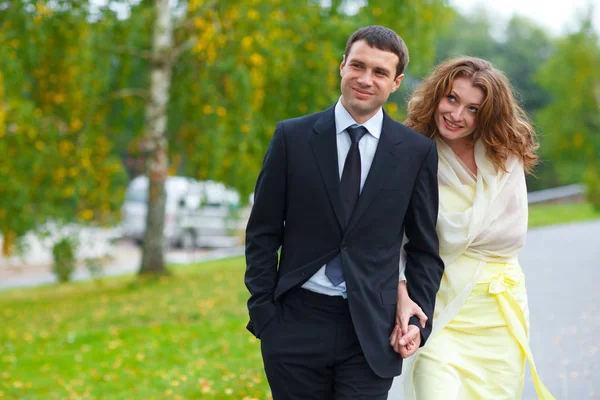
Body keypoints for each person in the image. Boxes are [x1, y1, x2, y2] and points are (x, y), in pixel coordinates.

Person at [244, 25, 444, 399]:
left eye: (380, 72)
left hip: (371, 331)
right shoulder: (292, 138)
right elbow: (262, 232)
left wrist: (417, 319)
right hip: (294, 325)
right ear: (342, 66)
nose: (365, 79)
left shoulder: (415, 153)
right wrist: (264, 314)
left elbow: (423, 249)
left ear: (396, 81)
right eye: (358, 66)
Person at [393, 56, 555, 399]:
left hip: (498, 312)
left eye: (473, 109)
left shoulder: (503, 156)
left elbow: (512, 236)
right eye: (452, 98)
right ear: (437, 94)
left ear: (489, 114)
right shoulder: (410, 153)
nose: (456, 115)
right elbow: (392, 234)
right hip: (438, 306)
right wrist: (400, 289)